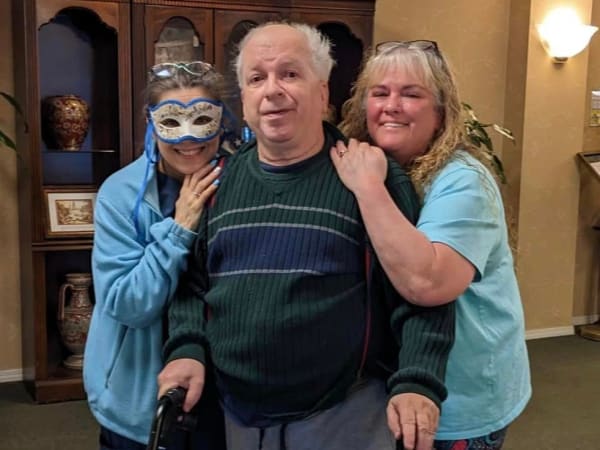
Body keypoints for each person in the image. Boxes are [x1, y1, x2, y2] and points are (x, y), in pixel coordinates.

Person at [157, 22, 455, 450]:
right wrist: (186, 348)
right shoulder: (216, 182)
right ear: (244, 101)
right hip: (237, 411)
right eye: (257, 78)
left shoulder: (370, 176)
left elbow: (420, 292)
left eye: (290, 74)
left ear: (322, 94)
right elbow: (193, 283)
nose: (272, 90)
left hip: (343, 410)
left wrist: (418, 382)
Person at [333, 40, 532, 449]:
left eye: (411, 94)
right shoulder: (363, 163)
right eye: (380, 93)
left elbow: (427, 283)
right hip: (386, 388)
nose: (392, 105)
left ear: (440, 112)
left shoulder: (463, 181)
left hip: (460, 396)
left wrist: (369, 188)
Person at [83, 60, 231, 449]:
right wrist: (179, 227)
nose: (187, 137)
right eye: (171, 121)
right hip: (138, 395)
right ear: (151, 123)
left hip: (226, 397)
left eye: (201, 119)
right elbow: (127, 303)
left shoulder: (241, 183)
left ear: (222, 119)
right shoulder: (121, 194)